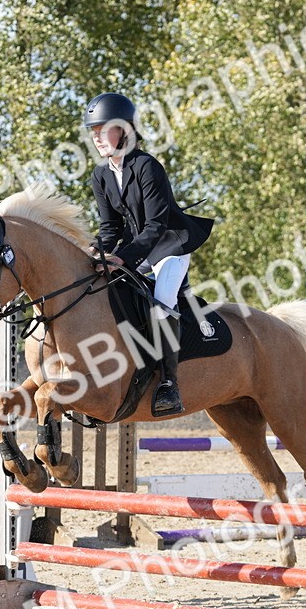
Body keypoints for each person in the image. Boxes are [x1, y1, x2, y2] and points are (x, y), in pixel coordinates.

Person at [84, 92, 214, 417]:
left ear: (125, 129)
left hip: (170, 245)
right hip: (136, 250)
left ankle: (170, 384)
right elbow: (110, 228)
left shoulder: (147, 166)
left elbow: (156, 226)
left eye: (104, 129)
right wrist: (96, 251)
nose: (96, 137)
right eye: (93, 131)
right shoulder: (101, 175)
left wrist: (121, 259)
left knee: (161, 303)